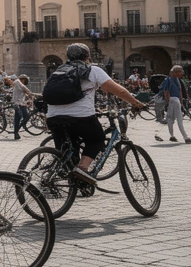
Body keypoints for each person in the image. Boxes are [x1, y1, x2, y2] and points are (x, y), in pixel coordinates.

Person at [47, 43, 148, 183]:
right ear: (87, 57)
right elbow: (118, 90)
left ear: (68, 57)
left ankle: (60, 181)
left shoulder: (60, 70)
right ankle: (82, 168)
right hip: (80, 117)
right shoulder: (93, 70)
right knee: (97, 140)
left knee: (68, 152)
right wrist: (137, 103)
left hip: (53, 117)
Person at [155, 65, 191, 144]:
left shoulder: (175, 79)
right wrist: (172, 101)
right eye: (180, 71)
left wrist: (179, 101)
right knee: (179, 119)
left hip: (174, 100)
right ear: (176, 72)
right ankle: (186, 138)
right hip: (174, 99)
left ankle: (172, 136)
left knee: (170, 118)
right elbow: (166, 91)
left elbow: (178, 91)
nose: (182, 73)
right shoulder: (170, 80)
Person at [11, 75, 34, 140]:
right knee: (26, 116)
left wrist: (28, 94)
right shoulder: (17, 82)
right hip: (19, 104)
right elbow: (24, 88)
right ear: (23, 79)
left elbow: (22, 91)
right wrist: (29, 92)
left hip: (18, 103)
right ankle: (19, 128)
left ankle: (16, 133)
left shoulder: (18, 85)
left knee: (17, 118)